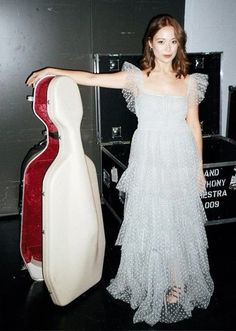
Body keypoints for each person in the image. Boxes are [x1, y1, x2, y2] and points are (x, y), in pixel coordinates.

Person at [26, 14, 214, 326]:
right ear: (150, 44)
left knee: (178, 220)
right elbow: (92, 78)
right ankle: (150, 278)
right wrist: (51, 71)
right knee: (152, 219)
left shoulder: (190, 82)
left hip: (179, 157)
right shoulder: (137, 78)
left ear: (179, 44)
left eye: (173, 41)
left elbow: (193, 126)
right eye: (161, 41)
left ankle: (177, 281)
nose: (168, 47)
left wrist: (199, 168)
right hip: (149, 159)